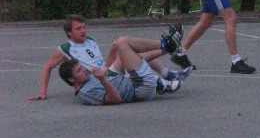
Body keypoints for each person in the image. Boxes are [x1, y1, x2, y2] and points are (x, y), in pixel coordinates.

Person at [28, 15, 189, 100]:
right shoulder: (65, 48)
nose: (83, 31)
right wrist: (43, 91)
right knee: (127, 50)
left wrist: (112, 56)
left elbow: (103, 62)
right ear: (69, 32)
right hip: (99, 78)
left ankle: (167, 65)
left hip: (107, 69)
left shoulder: (90, 40)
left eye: (84, 27)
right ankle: (165, 56)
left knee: (128, 52)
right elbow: (48, 67)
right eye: (78, 29)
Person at [59, 34, 187, 105]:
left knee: (121, 48)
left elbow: (107, 68)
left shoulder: (87, 80)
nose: (83, 71)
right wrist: (103, 80)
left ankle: (167, 49)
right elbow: (115, 99)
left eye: (82, 68)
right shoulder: (86, 92)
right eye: (79, 71)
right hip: (140, 88)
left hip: (128, 79)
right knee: (123, 43)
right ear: (71, 79)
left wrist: (113, 51)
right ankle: (166, 45)